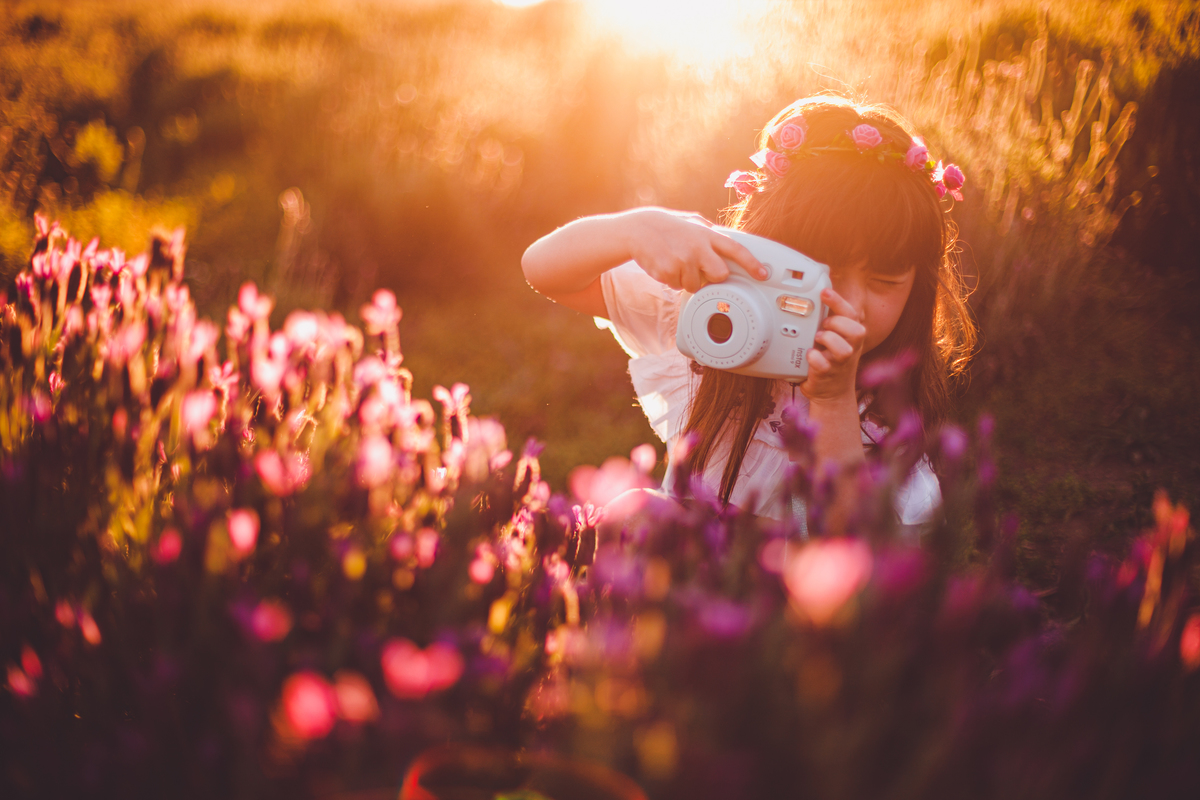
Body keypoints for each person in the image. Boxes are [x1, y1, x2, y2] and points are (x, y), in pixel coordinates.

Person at [522, 97, 976, 534]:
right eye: (826, 272)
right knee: (637, 513)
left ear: (917, 289)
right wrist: (638, 228)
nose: (851, 303)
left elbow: (846, 549)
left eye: (884, 281)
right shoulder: (713, 314)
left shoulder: (887, 421)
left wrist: (834, 402)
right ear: (769, 252)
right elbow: (545, 271)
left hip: (793, 604)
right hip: (674, 593)